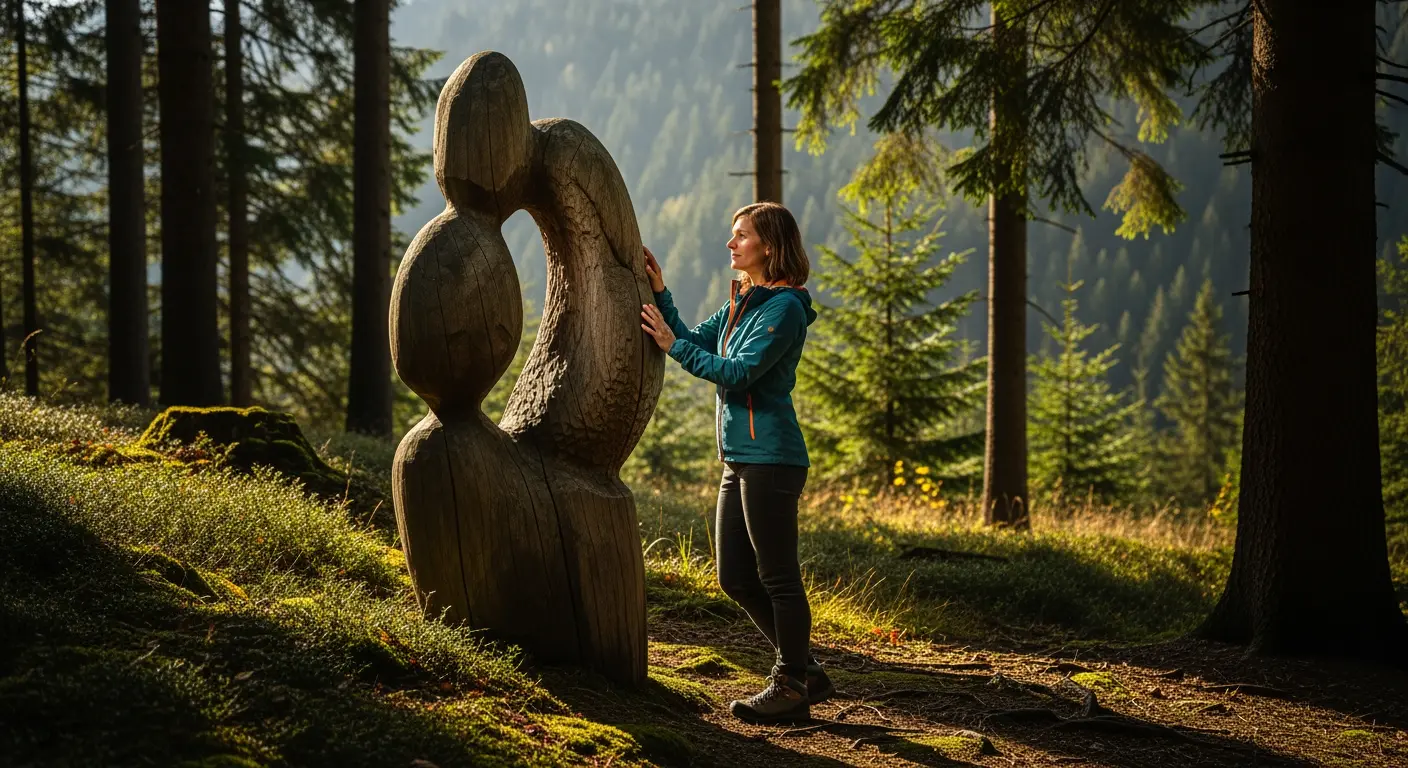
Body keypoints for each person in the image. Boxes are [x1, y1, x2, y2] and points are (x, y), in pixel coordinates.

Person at [639, 201, 830, 724]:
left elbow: (739, 373)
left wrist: (673, 346)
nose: (731, 244)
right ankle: (806, 670)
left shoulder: (786, 308)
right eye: (732, 235)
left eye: (741, 235)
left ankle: (790, 684)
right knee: (734, 577)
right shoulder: (745, 299)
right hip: (739, 459)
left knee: (778, 578)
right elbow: (695, 339)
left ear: (768, 244)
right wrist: (660, 293)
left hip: (772, 459)